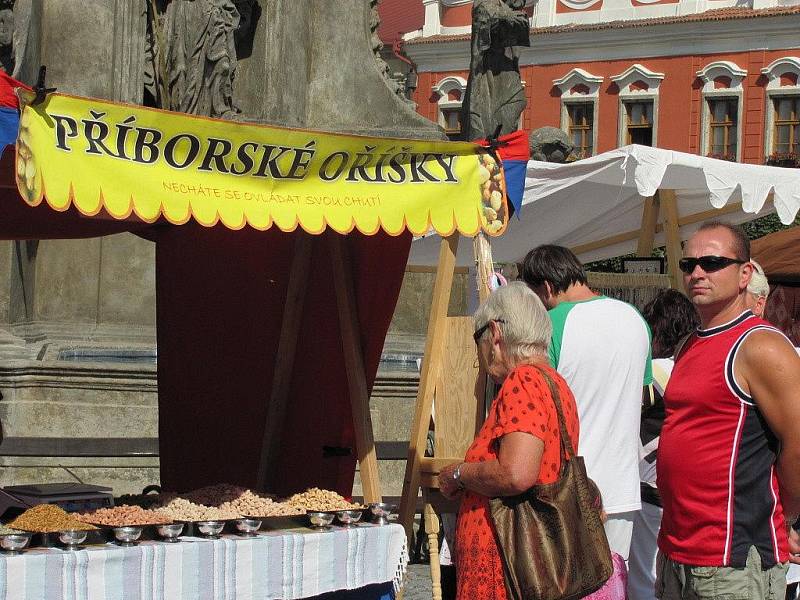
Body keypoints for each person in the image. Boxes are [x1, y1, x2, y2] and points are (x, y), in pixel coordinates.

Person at [656, 221, 800, 600]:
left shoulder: (761, 346)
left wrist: (785, 515)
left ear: (745, 274)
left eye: (713, 262)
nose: (697, 273)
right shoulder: (689, 343)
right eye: (689, 265)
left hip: (731, 558)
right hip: (676, 550)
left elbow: (798, 442)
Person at [437, 281, 581, 600]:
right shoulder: (555, 382)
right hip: (530, 557)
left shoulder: (523, 381)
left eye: (479, 340)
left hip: (503, 562)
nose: (480, 354)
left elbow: (516, 473)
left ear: (495, 334)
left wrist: (459, 473)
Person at [521, 245, 652, 564]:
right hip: (622, 485)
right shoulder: (634, 318)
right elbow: (644, 396)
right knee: (613, 586)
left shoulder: (549, 324)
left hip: (566, 488)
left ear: (546, 288)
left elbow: (539, 408)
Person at [628, 289, 699, 600]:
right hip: (688, 491)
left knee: (644, 578)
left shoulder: (656, 371)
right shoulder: (696, 367)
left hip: (650, 489)